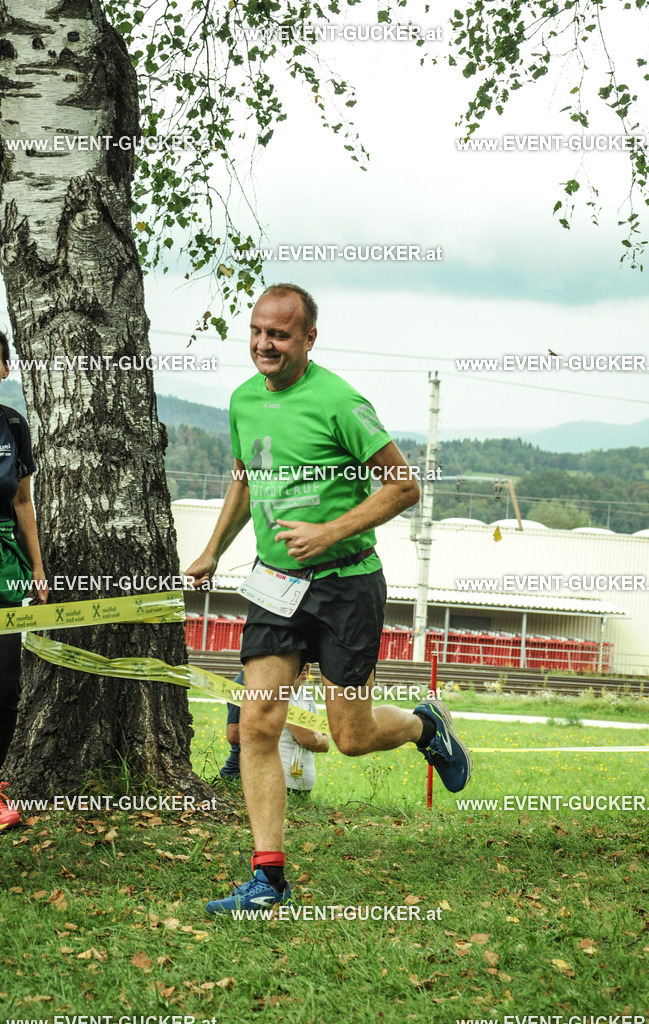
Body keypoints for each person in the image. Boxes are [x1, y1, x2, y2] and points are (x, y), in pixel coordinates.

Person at [186, 284, 471, 914]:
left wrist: (330, 530)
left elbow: (404, 486)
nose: (265, 344)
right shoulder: (242, 400)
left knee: (351, 735)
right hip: (275, 586)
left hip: (346, 586)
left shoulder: (339, 400)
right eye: (258, 331)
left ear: (308, 339)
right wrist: (212, 547)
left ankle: (428, 725)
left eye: (280, 335)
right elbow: (244, 477)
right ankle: (268, 878)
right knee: (257, 724)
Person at [0, 325, 48, 832]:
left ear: (5, 369)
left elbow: (22, 501)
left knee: (1, 684)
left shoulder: (14, 425)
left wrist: (38, 569)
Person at [219, 664, 330, 793]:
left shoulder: (306, 696)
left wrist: (313, 737)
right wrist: (314, 737)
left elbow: (325, 743)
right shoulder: (259, 688)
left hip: (299, 786)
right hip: (250, 776)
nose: (306, 664)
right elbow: (309, 739)